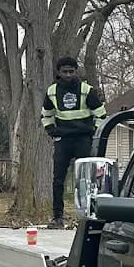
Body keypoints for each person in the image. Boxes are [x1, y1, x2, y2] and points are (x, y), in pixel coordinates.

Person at [41, 57, 107, 228]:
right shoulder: (52, 92)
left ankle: (89, 216)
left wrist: (93, 133)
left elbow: (101, 114)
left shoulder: (86, 90)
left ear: (76, 71)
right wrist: (51, 130)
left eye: (71, 71)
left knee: (87, 180)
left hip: (83, 140)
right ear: (59, 72)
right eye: (65, 72)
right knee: (58, 180)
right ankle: (57, 217)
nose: (68, 75)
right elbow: (46, 115)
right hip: (63, 140)